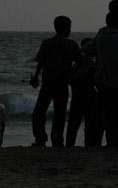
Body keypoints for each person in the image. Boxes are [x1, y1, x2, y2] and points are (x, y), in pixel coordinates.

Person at [83, 12, 118, 147]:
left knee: (105, 111)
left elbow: (86, 48)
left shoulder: (100, 37)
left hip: (103, 79)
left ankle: (103, 139)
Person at [30, 16, 82, 147]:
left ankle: (40, 138)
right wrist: (71, 72)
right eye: (69, 26)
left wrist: (36, 76)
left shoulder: (47, 43)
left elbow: (41, 63)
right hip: (62, 83)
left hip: (48, 82)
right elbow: (80, 62)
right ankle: (57, 140)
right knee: (59, 114)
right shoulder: (72, 45)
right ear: (65, 28)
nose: (70, 29)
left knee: (39, 112)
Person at [66, 38, 102, 147]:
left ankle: (70, 144)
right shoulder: (89, 64)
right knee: (87, 123)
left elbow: (71, 79)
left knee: (74, 123)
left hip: (79, 96)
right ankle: (88, 144)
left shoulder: (77, 64)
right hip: (87, 96)